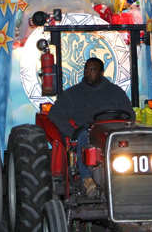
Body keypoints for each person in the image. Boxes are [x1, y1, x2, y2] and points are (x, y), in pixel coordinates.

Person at [47, 57, 134, 196]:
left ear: (101, 73)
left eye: (92, 70)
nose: (88, 73)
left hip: (112, 131)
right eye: (86, 70)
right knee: (84, 136)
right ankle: (88, 181)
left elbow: (129, 114)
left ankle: (130, 178)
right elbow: (54, 114)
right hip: (88, 132)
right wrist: (72, 132)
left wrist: (119, 123)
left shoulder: (115, 92)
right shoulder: (73, 93)